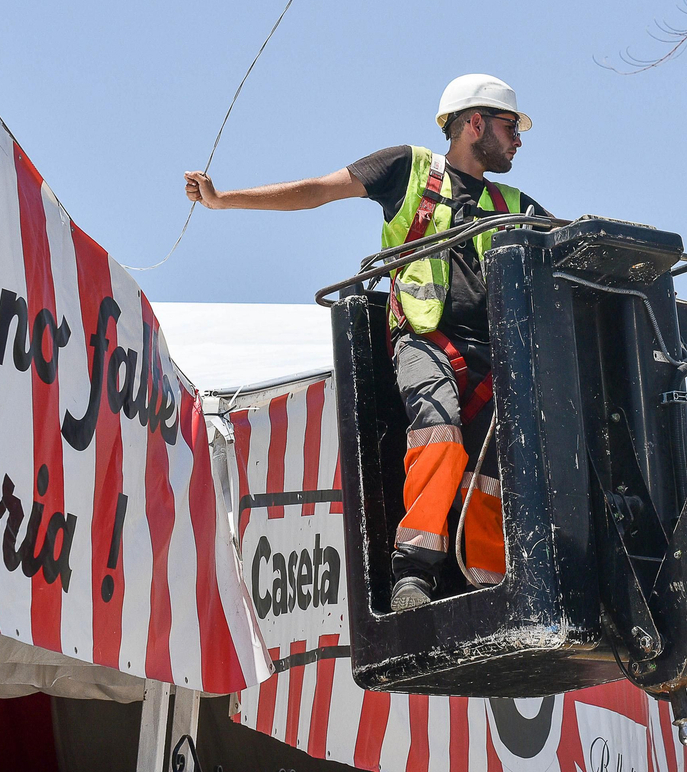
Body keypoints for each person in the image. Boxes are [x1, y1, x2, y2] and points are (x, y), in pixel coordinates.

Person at [183, 74, 550, 611]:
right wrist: (223, 200)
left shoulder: (514, 203)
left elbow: (565, 247)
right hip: (426, 341)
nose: (518, 139)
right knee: (438, 433)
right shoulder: (409, 169)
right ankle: (414, 571)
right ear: (475, 123)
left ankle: (488, 584)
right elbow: (317, 191)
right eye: (509, 126)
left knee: (492, 468)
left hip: (492, 361)